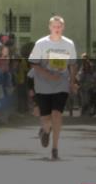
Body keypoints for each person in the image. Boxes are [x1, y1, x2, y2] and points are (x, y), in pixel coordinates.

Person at [29, 15, 77, 160]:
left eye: (59, 26)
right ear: (49, 27)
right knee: (46, 117)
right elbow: (33, 63)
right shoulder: (41, 43)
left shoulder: (68, 44)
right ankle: (45, 130)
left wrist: (72, 82)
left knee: (57, 114)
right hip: (43, 85)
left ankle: (55, 148)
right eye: (54, 26)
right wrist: (48, 75)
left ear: (63, 27)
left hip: (61, 83)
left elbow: (73, 64)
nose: (57, 29)